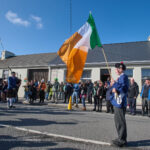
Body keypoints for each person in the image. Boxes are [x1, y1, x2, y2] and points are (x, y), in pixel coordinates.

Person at [110, 62, 129, 147]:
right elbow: (118, 86)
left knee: (120, 122)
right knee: (118, 121)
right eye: (116, 68)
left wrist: (115, 86)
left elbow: (124, 88)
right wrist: (113, 84)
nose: (116, 70)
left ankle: (122, 140)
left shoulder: (124, 77)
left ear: (122, 69)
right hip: (117, 102)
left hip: (120, 103)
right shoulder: (120, 77)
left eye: (118, 68)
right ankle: (120, 138)